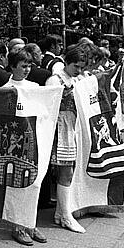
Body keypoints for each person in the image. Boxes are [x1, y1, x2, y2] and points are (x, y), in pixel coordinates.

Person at [2, 48, 46, 246]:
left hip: (33, 140)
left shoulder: (35, 86)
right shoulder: (6, 88)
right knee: (16, 184)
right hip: (14, 143)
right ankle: (17, 225)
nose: (27, 69)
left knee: (35, 183)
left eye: (29, 65)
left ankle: (31, 222)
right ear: (12, 66)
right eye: (23, 66)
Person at [46, 44, 88, 234]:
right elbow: (48, 108)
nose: (79, 70)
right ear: (67, 62)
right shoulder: (54, 80)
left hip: (73, 128)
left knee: (69, 171)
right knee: (65, 172)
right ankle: (65, 215)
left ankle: (60, 212)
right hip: (59, 129)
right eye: (76, 66)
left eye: (81, 67)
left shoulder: (77, 79)